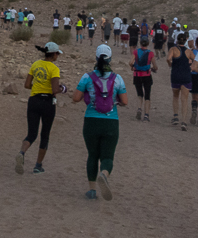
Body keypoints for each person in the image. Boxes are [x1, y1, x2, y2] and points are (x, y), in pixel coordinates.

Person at [72, 44, 127, 200]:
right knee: (108, 157)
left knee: (92, 155)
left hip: (91, 120)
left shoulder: (87, 77)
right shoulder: (117, 79)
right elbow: (125, 101)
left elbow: (75, 98)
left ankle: (92, 190)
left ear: (96, 58)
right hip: (111, 121)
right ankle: (104, 173)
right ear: (110, 60)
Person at [16, 42, 67, 175]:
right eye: (57, 54)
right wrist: (63, 88)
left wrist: (38, 86)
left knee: (31, 133)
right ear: (54, 54)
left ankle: (22, 152)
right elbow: (55, 89)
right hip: (47, 103)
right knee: (45, 135)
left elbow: (27, 85)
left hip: (34, 100)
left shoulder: (36, 64)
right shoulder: (54, 68)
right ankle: (38, 165)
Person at [166, 32, 194, 130]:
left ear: (177, 40)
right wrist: (191, 66)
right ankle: (184, 121)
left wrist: (171, 64)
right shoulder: (189, 51)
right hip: (186, 76)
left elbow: (168, 58)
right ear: (186, 40)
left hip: (175, 75)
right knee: (185, 99)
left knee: (175, 96)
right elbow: (195, 60)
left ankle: (175, 116)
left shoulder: (173, 49)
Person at [131, 38, 157, 121]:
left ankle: (139, 108)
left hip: (137, 75)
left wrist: (132, 67)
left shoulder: (135, 52)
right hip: (147, 75)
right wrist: (153, 69)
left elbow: (131, 62)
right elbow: (155, 66)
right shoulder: (151, 53)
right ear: (148, 44)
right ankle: (146, 115)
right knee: (147, 95)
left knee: (139, 94)